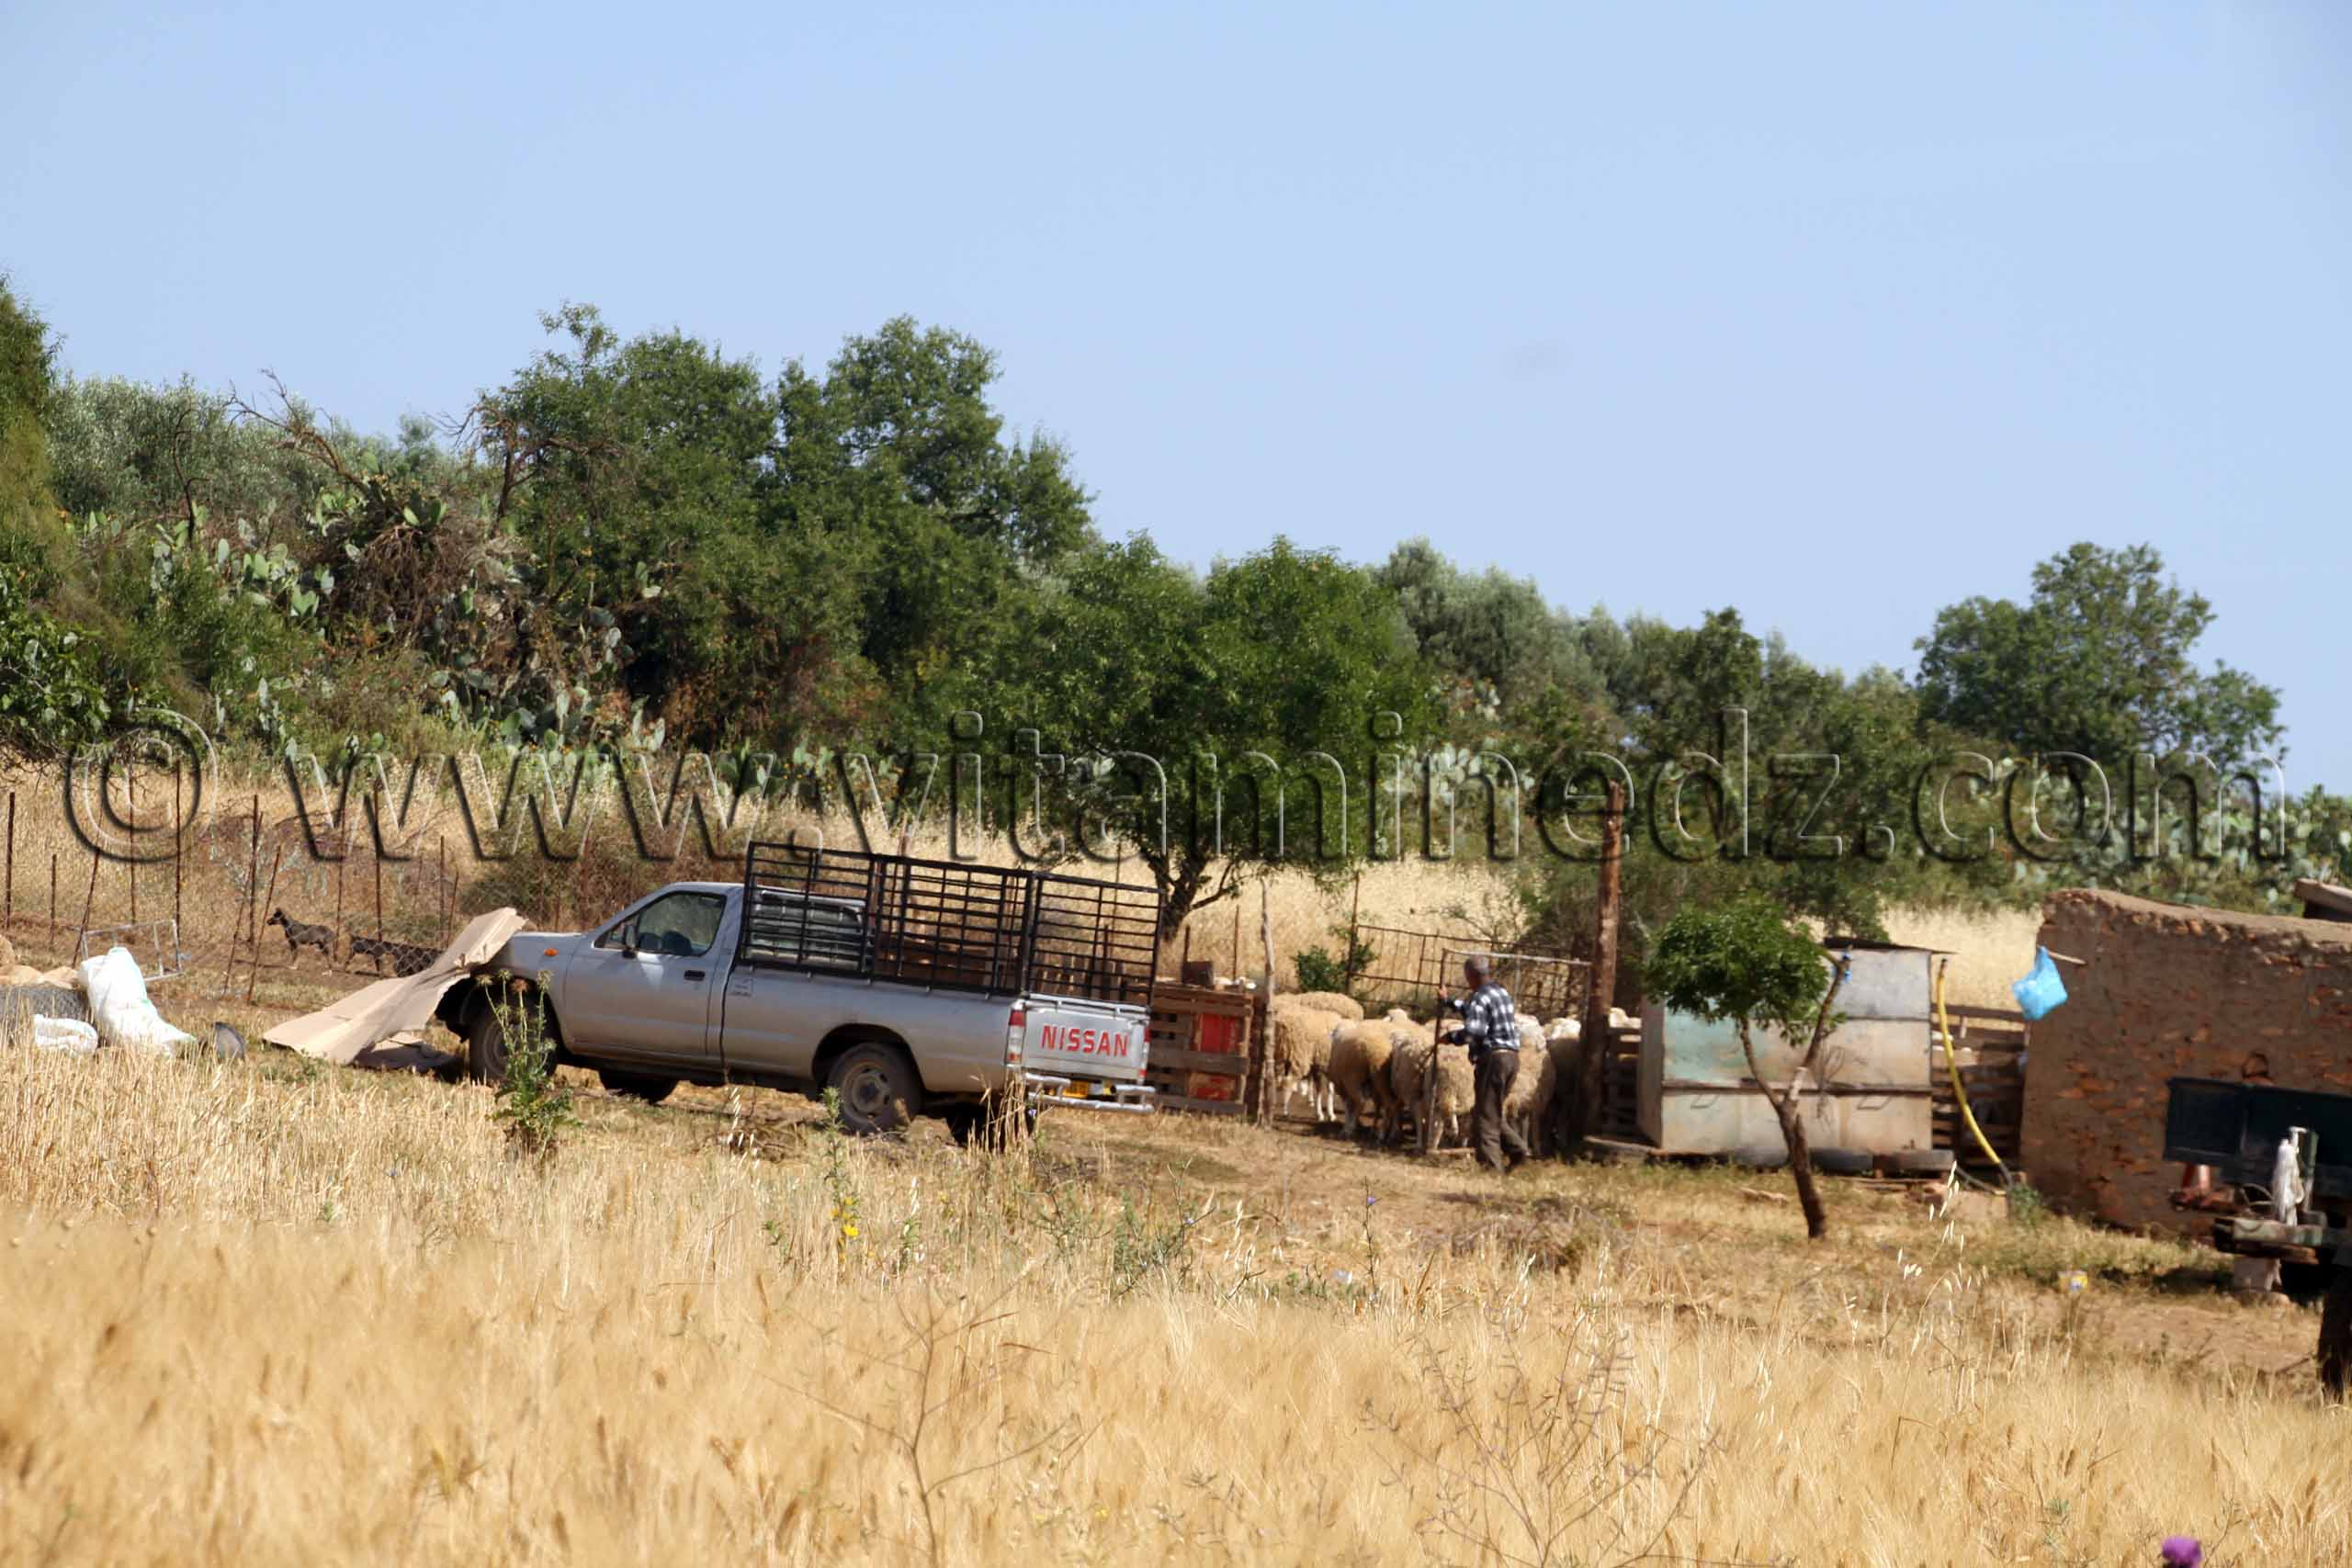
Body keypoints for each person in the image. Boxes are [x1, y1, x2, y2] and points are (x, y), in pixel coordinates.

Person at [1441, 955, 1529, 1173]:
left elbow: (1473, 1031)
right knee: (1491, 1110)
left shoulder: (1480, 997)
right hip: (1511, 1058)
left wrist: (1450, 1038)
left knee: (1485, 1116)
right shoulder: (1501, 992)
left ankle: (1491, 1168)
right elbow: (1474, 1011)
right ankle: (1518, 1150)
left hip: (1493, 1059)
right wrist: (1449, 1001)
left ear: (1471, 976)